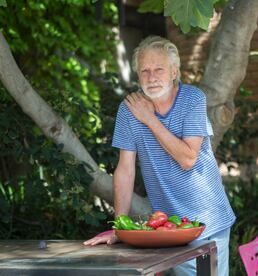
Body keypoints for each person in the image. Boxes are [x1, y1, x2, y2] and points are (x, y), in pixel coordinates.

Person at [83, 36, 236, 276]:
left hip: (208, 219)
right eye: (144, 70)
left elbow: (187, 159)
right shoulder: (129, 110)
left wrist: (150, 119)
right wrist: (120, 227)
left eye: (158, 69)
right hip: (169, 226)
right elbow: (125, 170)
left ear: (174, 72)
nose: (151, 77)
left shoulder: (192, 99)